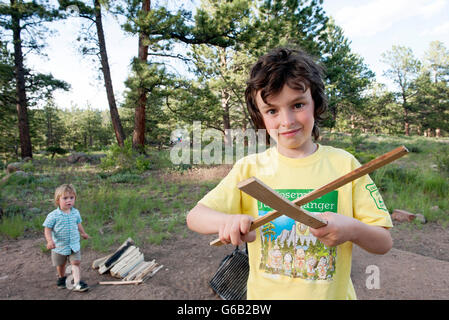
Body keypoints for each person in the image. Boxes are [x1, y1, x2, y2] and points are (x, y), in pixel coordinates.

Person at [186, 47, 393, 300]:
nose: (287, 121)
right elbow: (195, 217)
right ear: (260, 117)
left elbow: (383, 243)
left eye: (297, 105)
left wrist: (352, 230)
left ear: (315, 103)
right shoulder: (249, 169)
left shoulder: (345, 165)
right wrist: (224, 222)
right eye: (272, 111)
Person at [43, 184, 90, 292]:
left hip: (74, 244)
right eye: (65, 198)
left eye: (71, 198)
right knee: (61, 264)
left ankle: (77, 283)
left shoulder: (75, 212)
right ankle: (61, 278)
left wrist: (83, 233)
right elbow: (47, 229)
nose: (69, 200)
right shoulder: (53, 215)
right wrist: (50, 241)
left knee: (76, 262)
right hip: (59, 246)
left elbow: (78, 224)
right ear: (57, 200)